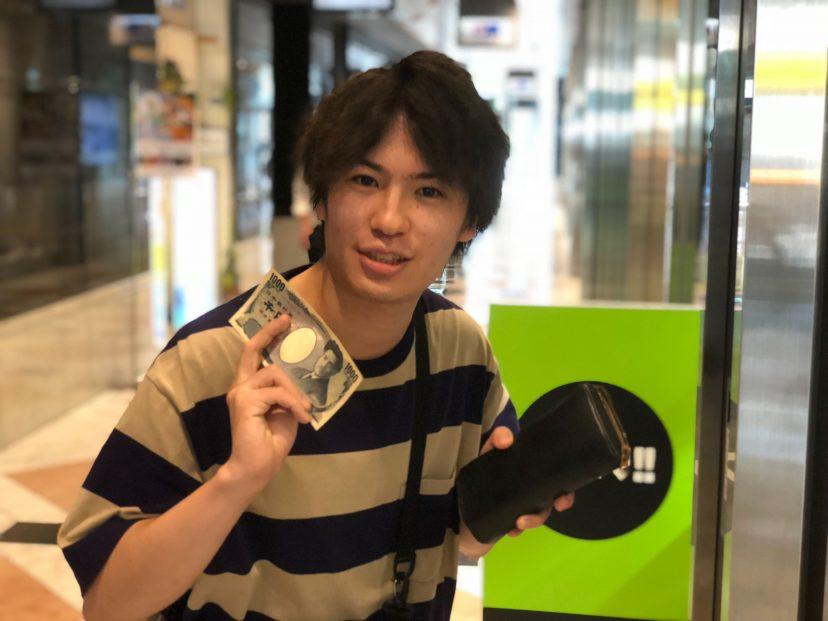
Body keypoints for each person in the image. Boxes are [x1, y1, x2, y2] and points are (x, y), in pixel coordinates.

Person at [58, 50, 574, 621]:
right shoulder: (210, 359)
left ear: (470, 221)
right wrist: (237, 480)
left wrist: (514, 498)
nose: (389, 220)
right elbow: (106, 604)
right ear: (323, 197)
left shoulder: (459, 350)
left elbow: (467, 539)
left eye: (429, 191)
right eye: (365, 180)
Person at [291, 339, 344, 410]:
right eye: (325, 358)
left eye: (330, 364)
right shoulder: (297, 370)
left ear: (334, 372)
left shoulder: (318, 397)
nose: (323, 365)